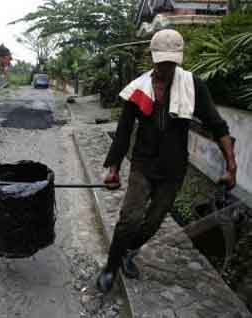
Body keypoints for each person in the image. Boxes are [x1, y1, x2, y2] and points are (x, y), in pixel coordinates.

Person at [96, 29, 237, 293]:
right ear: (153, 58)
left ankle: (128, 252)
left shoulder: (192, 86)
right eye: (161, 61)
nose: (165, 67)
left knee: (153, 222)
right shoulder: (137, 90)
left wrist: (232, 165)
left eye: (171, 62)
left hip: (173, 169)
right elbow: (124, 132)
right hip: (143, 164)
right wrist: (113, 169)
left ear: (178, 59)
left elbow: (218, 126)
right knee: (129, 218)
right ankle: (111, 267)